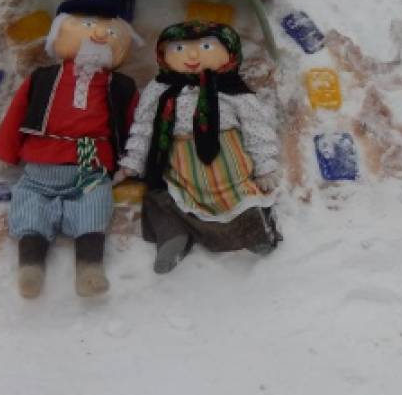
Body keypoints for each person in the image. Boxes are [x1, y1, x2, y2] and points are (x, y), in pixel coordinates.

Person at [0, 0, 139, 298]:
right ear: (59, 34)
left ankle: (90, 269)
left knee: (95, 203)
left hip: (90, 159)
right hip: (42, 159)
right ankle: (30, 267)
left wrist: (133, 160)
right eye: (87, 27)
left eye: (110, 33)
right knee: (30, 203)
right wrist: (6, 151)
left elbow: (136, 124)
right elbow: (16, 113)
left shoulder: (122, 86)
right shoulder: (42, 79)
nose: (98, 35)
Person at [117, 20, 281, 273]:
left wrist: (266, 167)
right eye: (179, 49)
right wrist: (133, 162)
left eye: (205, 46)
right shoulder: (159, 89)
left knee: (242, 201)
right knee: (163, 198)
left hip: (228, 164)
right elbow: (144, 127)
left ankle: (256, 234)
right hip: (180, 166)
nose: (192, 55)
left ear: (229, 53)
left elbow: (256, 128)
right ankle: (173, 238)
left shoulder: (232, 88)